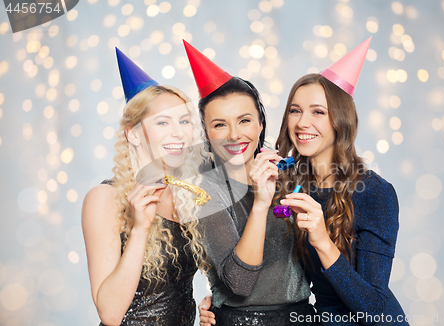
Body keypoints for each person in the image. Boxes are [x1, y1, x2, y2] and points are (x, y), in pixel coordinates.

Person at [275, 38, 409, 325]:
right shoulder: (290, 186)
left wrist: (323, 240)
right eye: (295, 110)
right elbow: (277, 271)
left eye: (318, 112)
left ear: (341, 121)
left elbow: (374, 308)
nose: (302, 123)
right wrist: (222, 301)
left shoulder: (374, 193)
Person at [183, 40, 316, 326]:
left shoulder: (292, 175)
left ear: (260, 124)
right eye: (219, 124)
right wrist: (260, 204)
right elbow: (240, 283)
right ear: (207, 133)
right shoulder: (204, 190)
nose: (233, 135)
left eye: (244, 120)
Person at [81, 48, 208, 326]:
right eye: (163, 122)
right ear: (134, 134)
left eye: (184, 121)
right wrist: (140, 229)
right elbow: (110, 314)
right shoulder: (106, 198)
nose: (178, 132)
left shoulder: (187, 195)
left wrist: (212, 304)